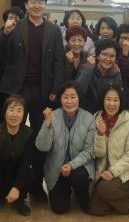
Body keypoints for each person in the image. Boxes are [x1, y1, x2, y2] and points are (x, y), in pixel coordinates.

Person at [0, 0, 65, 202]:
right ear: (26, 5)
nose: (37, 5)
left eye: (41, 2)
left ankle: (35, 185)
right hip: (17, 89)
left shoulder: (53, 30)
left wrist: (55, 90)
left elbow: (58, 62)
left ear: (45, 5)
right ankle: (6, 184)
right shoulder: (15, 26)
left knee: (39, 138)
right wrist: (5, 33)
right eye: (33, 1)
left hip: (43, 91)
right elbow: (0, 52)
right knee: (10, 134)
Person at [35, 82, 95, 214]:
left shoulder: (89, 118)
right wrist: (47, 124)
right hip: (57, 168)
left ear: (79, 98)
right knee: (59, 208)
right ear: (60, 98)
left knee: (79, 176)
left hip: (79, 166)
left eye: (73, 97)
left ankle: (82, 195)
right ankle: (65, 190)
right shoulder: (53, 116)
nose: (69, 101)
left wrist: (71, 165)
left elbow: (89, 151)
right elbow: (42, 147)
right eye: (65, 97)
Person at [0, 94, 34, 218]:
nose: (15, 114)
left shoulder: (28, 133)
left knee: (30, 173)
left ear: (24, 115)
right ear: (4, 113)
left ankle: (19, 201)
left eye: (19, 111)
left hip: (16, 175)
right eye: (11, 110)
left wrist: (17, 187)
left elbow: (26, 163)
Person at [90, 85, 129, 216]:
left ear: (121, 102)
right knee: (97, 210)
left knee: (103, 188)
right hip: (104, 170)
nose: (111, 104)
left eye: (115, 100)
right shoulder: (96, 119)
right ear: (103, 100)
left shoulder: (128, 123)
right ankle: (117, 199)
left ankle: (127, 201)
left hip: (125, 171)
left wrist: (113, 172)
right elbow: (98, 154)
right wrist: (100, 135)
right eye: (108, 99)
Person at [76, 38, 123, 113]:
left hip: (105, 113)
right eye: (104, 54)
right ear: (97, 56)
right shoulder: (86, 67)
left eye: (112, 56)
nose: (108, 59)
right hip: (85, 112)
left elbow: (116, 98)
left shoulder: (116, 73)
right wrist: (89, 69)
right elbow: (78, 91)